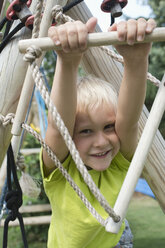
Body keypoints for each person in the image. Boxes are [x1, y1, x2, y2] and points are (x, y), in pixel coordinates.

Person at [40, 17, 156, 248]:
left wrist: (135, 60)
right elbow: (58, 126)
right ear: (70, 137)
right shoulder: (62, 170)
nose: (102, 141)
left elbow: (129, 121)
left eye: (108, 127)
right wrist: (69, 61)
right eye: (85, 131)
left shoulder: (119, 163)